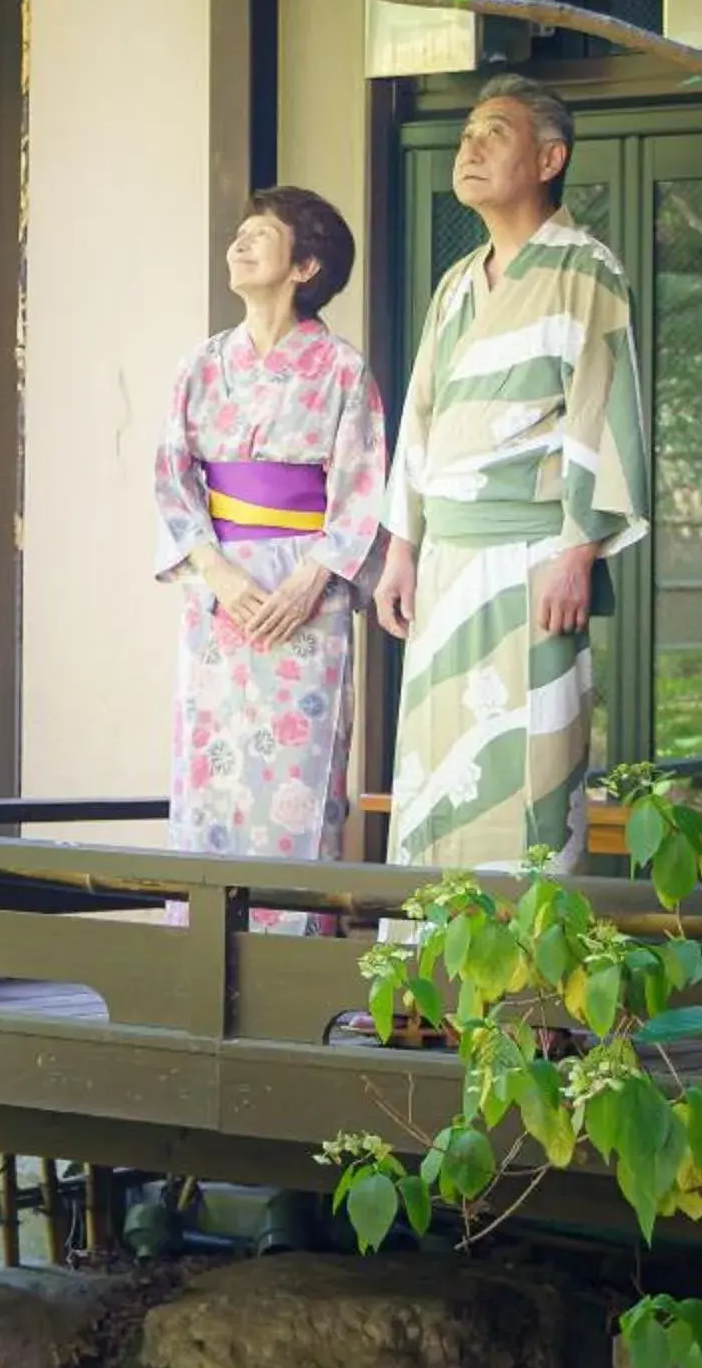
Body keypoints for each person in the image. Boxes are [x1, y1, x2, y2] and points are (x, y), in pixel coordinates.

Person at [376, 75, 648, 876]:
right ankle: (429, 985)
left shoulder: (586, 269)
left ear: (550, 158)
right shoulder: (457, 283)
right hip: (447, 564)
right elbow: (420, 415)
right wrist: (402, 548)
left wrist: (578, 551)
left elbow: (604, 408)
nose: (470, 147)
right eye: (465, 134)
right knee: (435, 768)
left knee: (531, 763)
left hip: (534, 556)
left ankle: (522, 991)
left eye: (494, 132)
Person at [151, 186, 388, 933]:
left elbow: (362, 493)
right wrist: (216, 571)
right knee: (209, 777)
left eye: (261, 235)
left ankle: (295, 961)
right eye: (240, 234)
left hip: (304, 599)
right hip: (219, 592)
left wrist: (311, 580)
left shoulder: (343, 371)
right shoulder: (201, 364)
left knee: (299, 778)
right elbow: (172, 476)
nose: (240, 245)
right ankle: (200, 953)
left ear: (305, 265)